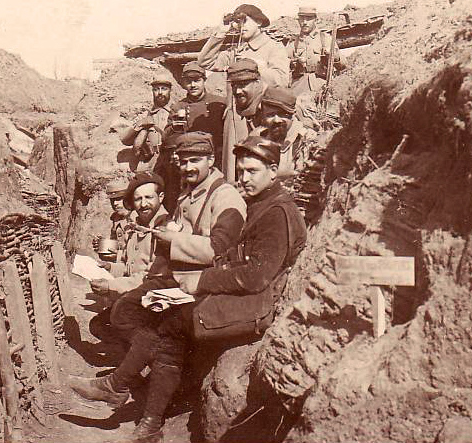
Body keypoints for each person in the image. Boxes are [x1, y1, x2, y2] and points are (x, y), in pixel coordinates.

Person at [69, 134, 306, 443]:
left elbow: (256, 278)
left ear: (273, 171)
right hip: (241, 292)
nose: (244, 178)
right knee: (167, 322)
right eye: (242, 170)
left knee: (173, 322)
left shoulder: (277, 212)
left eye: (252, 171)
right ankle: (142, 414)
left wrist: (200, 281)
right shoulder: (260, 203)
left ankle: (124, 392)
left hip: (256, 304)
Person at [89, 172, 169, 301]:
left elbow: (151, 278)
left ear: (161, 197)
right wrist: (110, 267)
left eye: (148, 197)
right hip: (135, 295)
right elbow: (129, 267)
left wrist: (111, 285)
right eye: (138, 199)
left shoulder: (166, 231)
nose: (143, 204)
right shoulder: (137, 227)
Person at [197, 4, 289, 88]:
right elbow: (205, 62)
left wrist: (254, 67)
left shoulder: (274, 47)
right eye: (238, 22)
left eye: (245, 21)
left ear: (259, 22)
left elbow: (282, 80)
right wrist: (221, 32)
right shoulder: (236, 51)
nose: (241, 26)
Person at [253, 86, 315, 182]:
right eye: (270, 115)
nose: (277, 120)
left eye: (282, 114)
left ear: (293, 114)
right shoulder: (258, 138)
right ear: (263, 116)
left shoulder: (306, 139)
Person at [169, 61, 226, 165]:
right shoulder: (178, 107)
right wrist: (173, 127)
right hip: (189, 158)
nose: (193, 85)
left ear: (204, 80)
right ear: (183, 83)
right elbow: (169, 138)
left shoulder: (219, 104)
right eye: (188, 81)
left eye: (197, 81)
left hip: (216, 158)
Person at [220, 58, 266, 182]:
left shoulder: (270, 109)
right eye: (234, 85)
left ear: (257, 83)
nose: (237, 91)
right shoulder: (246, 108)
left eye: (243, 85)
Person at [118, 72, 173, 170]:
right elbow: (125, 140)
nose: (160, 92)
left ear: (170, 91)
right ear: (152, 92)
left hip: (171, 162)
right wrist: (140, 125)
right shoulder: (145, 114)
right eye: (156, 89)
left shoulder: (177, 112)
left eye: (164, 89)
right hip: (150, 163)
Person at [287, 6, 341, 96]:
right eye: (302, 19)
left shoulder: (325, 39)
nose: (304, 22)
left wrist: (332, 56)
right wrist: (295, 62)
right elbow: (284, 65)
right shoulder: (293, 42)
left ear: (315, 20)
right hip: (298, 89)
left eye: (308, 19)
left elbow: (343, 65)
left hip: (321, 87)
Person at [91, 178, 130, 254]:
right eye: (112, 200)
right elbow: (118, 243)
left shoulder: (138, 218)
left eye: (119, 199)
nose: (115, 203)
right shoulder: (116, 218)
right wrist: (103, 244)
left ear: (129, 198)